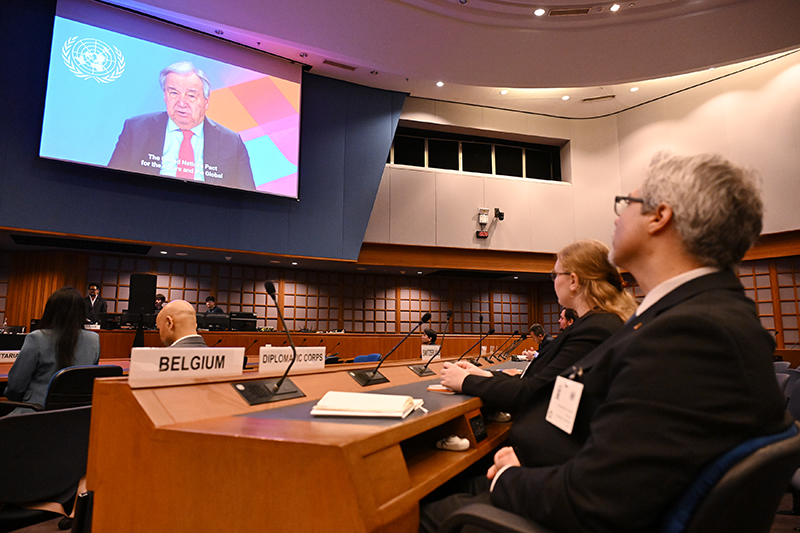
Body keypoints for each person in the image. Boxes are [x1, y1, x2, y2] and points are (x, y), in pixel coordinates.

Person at [421, 153, 790, 533]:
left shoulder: (692, 334)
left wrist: (510, 477)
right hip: (564, 474)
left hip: (569, 510)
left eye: (626, 204)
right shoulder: (694, 314)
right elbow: (639, 450)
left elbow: (595, 502)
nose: (617, 217)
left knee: (417, 510)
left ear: (660, 217)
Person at [437, 239, 637, 466]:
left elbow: (535, 392)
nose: (553, 280)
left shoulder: (596, 328)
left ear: (573, 280)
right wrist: (487, 376)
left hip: (545, 462)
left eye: (555, 275)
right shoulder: (596, 323)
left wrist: (466, 381)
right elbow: (542, 380)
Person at [109, 60, 255, 191]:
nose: (182, 103)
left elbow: (246, 199)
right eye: (174, 93)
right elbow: (111, 182)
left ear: (206, 101)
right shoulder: (136, 129)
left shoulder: (231, 142)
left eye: (191, 96)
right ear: (165, 96)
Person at [5, 287, 100, 415]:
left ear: (50, 311)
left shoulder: (37, 338)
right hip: (76, 416)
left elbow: (15, 387)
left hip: (35, 413)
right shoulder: (94, 340)